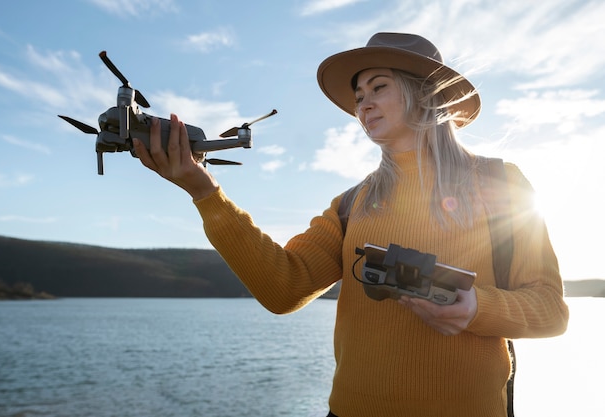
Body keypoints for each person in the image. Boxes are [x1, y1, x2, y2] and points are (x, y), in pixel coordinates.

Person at [133, 33, 569, 417]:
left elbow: (551, 310)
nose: (363, 103)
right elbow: (283, 288)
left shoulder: (500, 183)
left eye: (379, 87)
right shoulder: (351, 204)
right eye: (359, 96)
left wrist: (476, 308)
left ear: (427, 94)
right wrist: (205, 191)